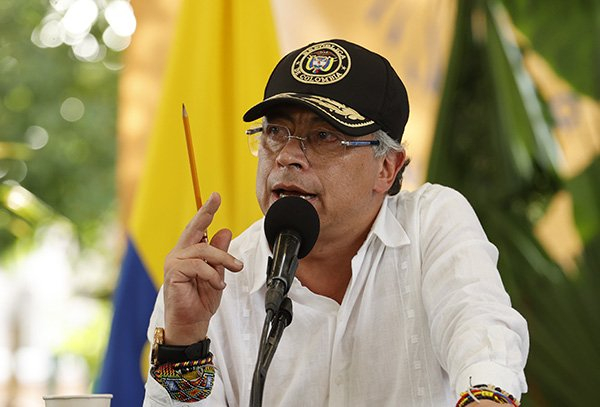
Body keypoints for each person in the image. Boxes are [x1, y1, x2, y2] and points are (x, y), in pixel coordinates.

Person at [143, 39, 528, 406]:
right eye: (275, 132)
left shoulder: (430, 223)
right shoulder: (210, 280)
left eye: (323, 136)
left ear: (387, 167)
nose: (287, 156)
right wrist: (185, 342)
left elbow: (484, 342)